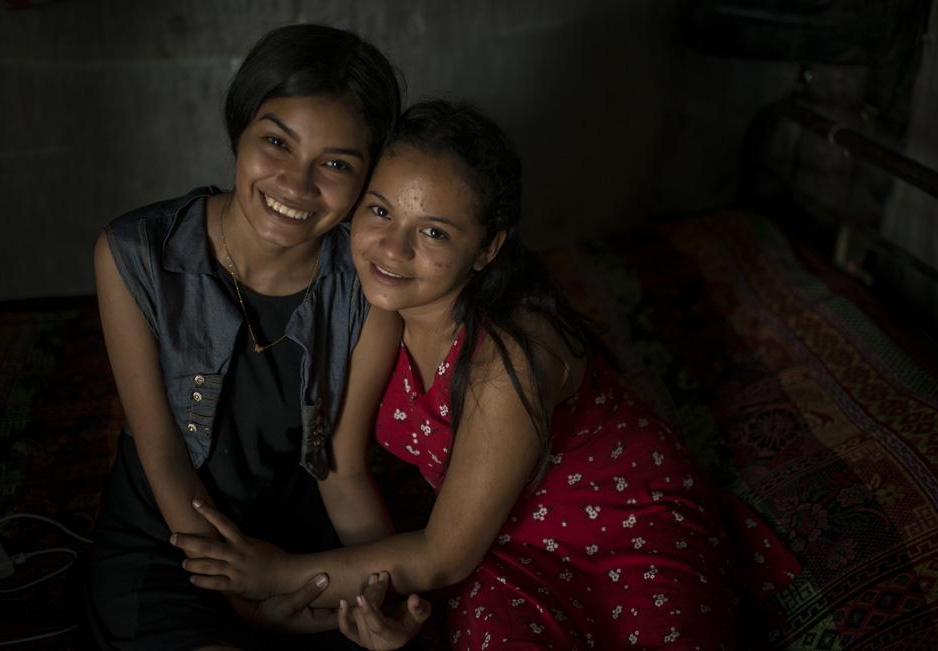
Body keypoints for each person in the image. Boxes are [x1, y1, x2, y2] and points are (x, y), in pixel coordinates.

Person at [172, 99, 755, 650]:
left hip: (627, 528)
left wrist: (276, 573)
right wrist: (378, 598)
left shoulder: (508, 354)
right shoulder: (370, 309)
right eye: (379, 210)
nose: (393, 248)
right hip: (496, 543)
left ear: (486, 249)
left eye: (433, 232)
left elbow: (443, 555)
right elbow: (341, 467)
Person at [85, 23, 426, 651]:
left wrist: (379, 597)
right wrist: (247, 602)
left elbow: (342, 473)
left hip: (298, 550)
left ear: (368, 177)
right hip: (170, 544)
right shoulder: (135, 254)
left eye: (336, 164)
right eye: (276, 142)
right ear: (239, 132)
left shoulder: (368, 291)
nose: (297, 185)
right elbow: (162, 456)